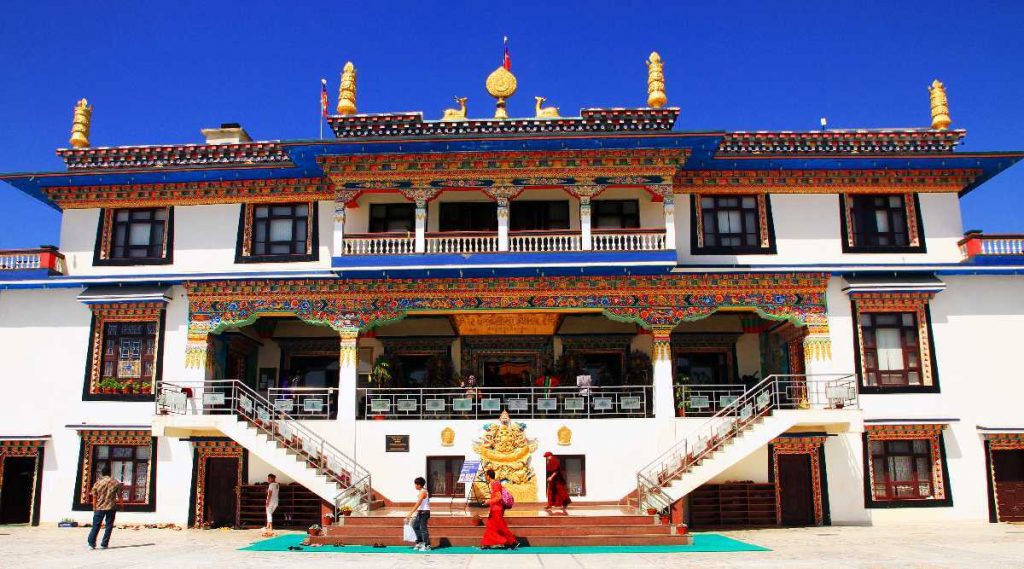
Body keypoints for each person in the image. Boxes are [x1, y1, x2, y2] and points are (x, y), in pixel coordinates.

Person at [479, 469, 518, 550]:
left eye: (485, 475)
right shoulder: (495, 483)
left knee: (501, 526)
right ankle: (486, 543)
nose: (485, 477)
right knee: (490, 526)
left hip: (497, 509)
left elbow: (499, 497)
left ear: (488, 476)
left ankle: (513, 542)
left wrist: (488, 501)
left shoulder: (495, 484)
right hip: (494, 509)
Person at [87, 464, 122, 550]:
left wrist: (94, 507)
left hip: (99, 507)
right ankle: (104, 543)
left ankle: (91, 543)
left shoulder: (98, 483)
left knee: (96, 525)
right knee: (109, 526)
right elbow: (119, 496)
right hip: (111, 507)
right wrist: (121, 505)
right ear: (110, 473)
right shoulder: (116, 482)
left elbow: (94, 496)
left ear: (102, 473)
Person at [405, 477, 431, 551]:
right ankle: (420, 542)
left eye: (416, 484)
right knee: (415, 526)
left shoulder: (423, 492)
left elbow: (418, 503)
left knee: (423, 528)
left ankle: (427, 545)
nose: (415, 486)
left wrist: (410, 513)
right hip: (421, 512)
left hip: (424, 512)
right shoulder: (422, 491)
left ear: (419, 485)